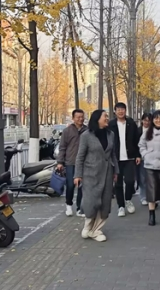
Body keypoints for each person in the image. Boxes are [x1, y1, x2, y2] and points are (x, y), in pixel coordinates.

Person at [74, 110, 119, 242]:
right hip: (90, 174)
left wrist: (116, 171)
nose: (107, 118)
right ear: (97, 119)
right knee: (91, 202)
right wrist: (77, 175)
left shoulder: (111, 134)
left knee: (105, 203)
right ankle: (88, 227)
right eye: (105, 116)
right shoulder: (86, 135)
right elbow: (80, 156)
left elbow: (113, 154)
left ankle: (97, 230)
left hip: (107, 173)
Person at [109, 102, 141, 217]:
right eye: (118, 109)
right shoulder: (111, 125)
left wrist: (138, 155)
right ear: (115, 111)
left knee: (130, 181)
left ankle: (128, 200)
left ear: (125, 110)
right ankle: (121, 206)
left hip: (129, 158)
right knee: (118, 184)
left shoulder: (131, 123)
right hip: (116, 158)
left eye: (122, 109)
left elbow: (137, 140)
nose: (120, 111)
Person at [57, 109, 87, 217]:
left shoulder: (87, 130)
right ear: (73, 118)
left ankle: (80, 208)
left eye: (82, 117)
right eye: (78, 117)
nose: (80, 119)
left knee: (81, 186)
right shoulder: (67, 131)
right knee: (70, 185)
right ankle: (68, 204)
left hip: (84, 163)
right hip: (70, 162)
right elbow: (62, 147)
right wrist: (60, 162)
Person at [137, 112, 152, 206]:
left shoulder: (154, 130)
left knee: (151, 178)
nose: (146, 122)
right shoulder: (138, 131)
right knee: (142, 178)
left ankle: (151, 196)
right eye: (145, 120)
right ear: (142, 120)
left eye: (148, 120)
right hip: (142, 158)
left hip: (152, 158)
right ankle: (143, 197)